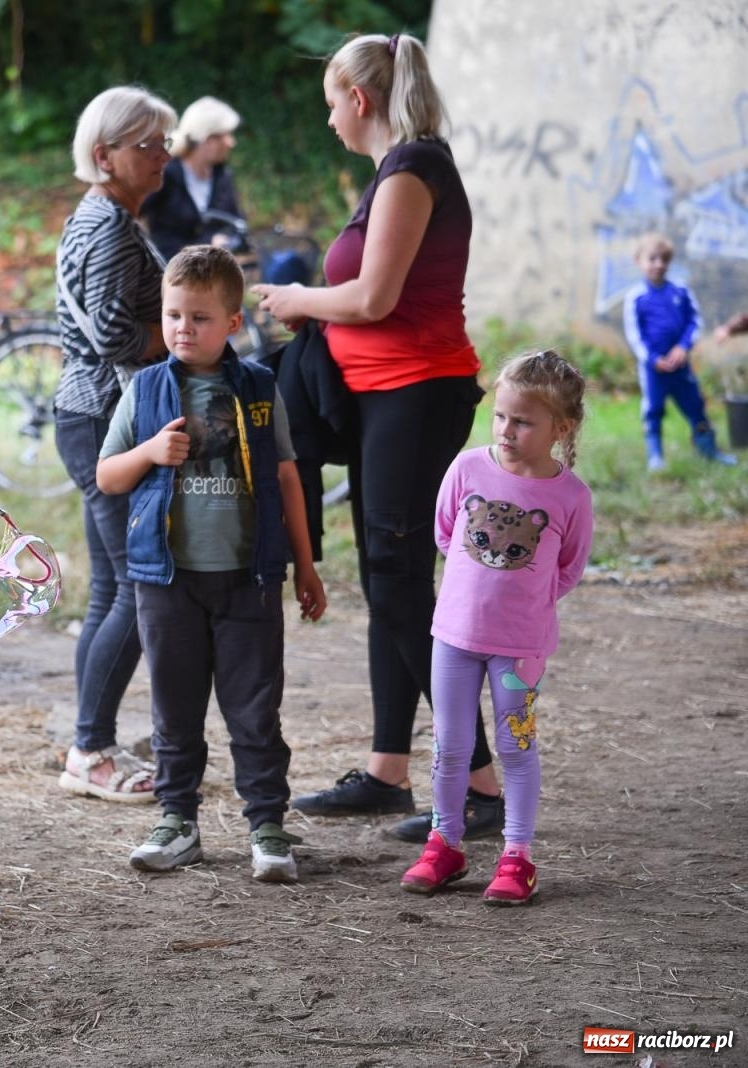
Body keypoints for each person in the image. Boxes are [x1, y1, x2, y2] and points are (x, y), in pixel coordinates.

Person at [251, 31, 504, 843]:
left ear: (358, 99)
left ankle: (483, 787)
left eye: (331, 103)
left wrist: (296, 298)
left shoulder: (412, 168)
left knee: (398, 583)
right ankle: (388, 772)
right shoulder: (397, 170)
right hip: (384, 399)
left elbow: (372, 298)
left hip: (416, 395)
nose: (329, 120)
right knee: (387, 577)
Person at [96, 244, 326, 881]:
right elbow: (108, 476)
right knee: (175, 710)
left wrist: (305, 565)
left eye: (199, 318)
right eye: (173, 315)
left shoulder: (259, 388)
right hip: (167, 582)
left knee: (255, 711)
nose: (182, 329)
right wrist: (149, 452)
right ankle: (177, 820)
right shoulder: (145, 389)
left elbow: (287, 477)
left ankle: (268, 826)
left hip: (249, 579)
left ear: (232, 322)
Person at [401, 350, 594, 905]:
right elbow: (446, 534)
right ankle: (444, 844)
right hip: (454, 638)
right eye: (501, 416)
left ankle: (517, 856)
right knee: (451, 745)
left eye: (524, 421)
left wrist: (523, 607)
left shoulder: (570, 496)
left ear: (561, 428)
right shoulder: (467, 468)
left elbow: (568, 569)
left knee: (516, 745)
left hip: (520, 651)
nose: (507, 430)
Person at [53, 86, 177, 803]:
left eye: (164, 143)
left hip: (92, 414)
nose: (162, 156)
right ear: (104, 155)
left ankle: (91, 739)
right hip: (104, 418)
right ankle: (89, 749)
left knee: (110, 588)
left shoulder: (103, 217)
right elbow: (109, 335)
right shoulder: (107, 227)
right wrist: (183, 330)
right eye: (147, 145)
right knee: (136, 584)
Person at [622, 232, 737, 469]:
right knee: (653, 410)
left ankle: (708, 449)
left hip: (681, 367)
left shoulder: (681, 291)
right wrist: (652, 359)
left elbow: (694, 322)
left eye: (664, 259)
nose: (658, 264)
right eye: (652, 259)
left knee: (696, 405)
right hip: (654, 370)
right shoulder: (636, 297)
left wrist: (683, 347)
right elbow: (634, 335)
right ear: (639, 261)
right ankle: (655, 456)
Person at [140, 96, 245, 262]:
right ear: (207, 139)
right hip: (168, 270)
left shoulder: (223, 177)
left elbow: (236, 222)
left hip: (211, 272)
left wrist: (222, 238)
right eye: (225, 135)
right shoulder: (164, 174)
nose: (231, 142)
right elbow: (131, 212)